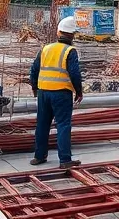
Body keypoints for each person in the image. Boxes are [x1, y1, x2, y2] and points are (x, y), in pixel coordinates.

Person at [29, 16, 84, 168]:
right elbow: (74, 74)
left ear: (58, 32)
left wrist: (35, 87)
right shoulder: (70, 51)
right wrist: (79, 92)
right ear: (72, 35)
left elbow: (34, 69)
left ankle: (39, 156)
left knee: (42, 124)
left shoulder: (45, 48)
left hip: (43, 92)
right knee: (63, 125)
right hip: (62, 93)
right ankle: (65, 160)